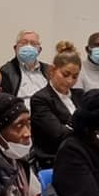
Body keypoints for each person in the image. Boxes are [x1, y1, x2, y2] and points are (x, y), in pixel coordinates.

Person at [31, 41, 84, 169]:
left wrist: (72, 127)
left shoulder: (80, 95)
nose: (70, 81)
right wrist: (83, 128)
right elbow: (58, 134)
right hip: (54, 160)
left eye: (75, 76)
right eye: (65, 74)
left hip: (81, 157)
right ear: (52, 70)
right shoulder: (40, 99)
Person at [0, 30, 50, 104]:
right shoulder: (6, 71)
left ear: (39, 50)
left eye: (33, 44)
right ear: (15, 48)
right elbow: (5, 103)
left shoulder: (49, 70)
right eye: (24, 43)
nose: (28, 46)